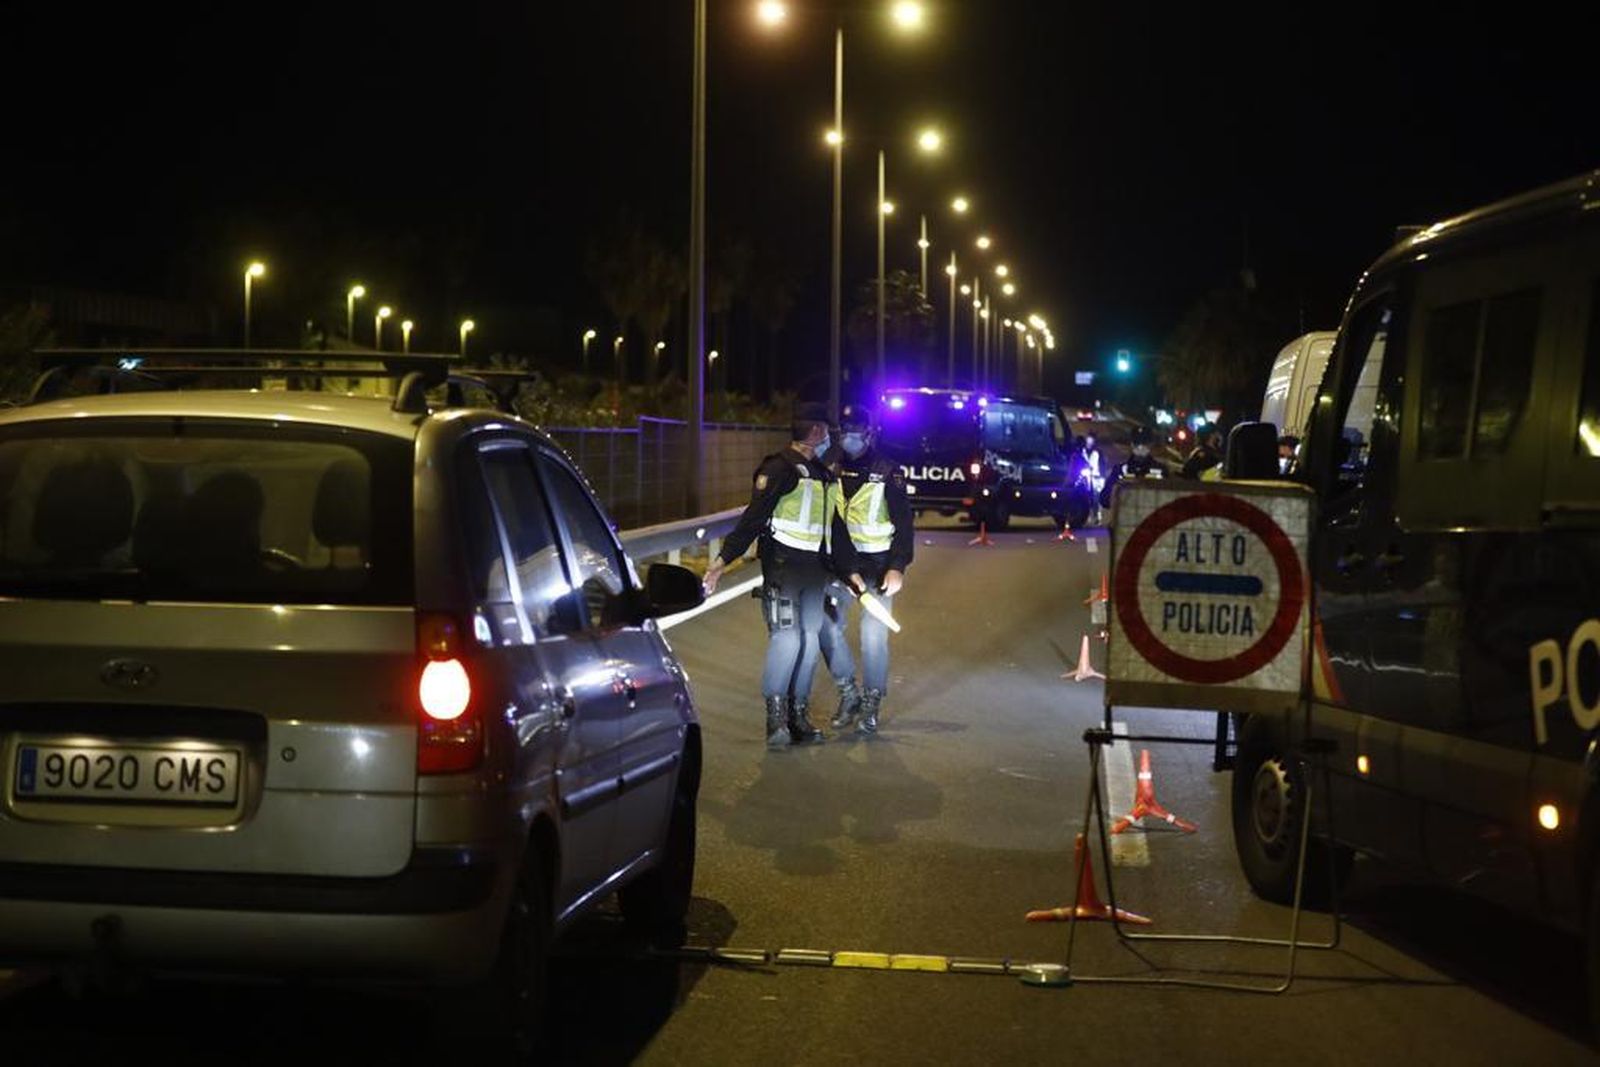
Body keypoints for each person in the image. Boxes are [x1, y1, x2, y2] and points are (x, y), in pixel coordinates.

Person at [704, 402, 846, 749]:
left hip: (815, 572)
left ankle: (799, 718)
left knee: (810, 642)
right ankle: (776, 722)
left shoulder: (823, 473)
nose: (830, 438)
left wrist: (850, 574)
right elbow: (753, 519)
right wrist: (720, 562)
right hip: (784, 569)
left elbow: (834, 531)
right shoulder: (780, 468)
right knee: (787, 640)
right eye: (826, 431)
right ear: (815, 432)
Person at [816, 404, 914, 734]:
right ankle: (848, 694)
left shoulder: (890, 472)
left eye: (855, 432)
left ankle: (871, 702)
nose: (849, 439)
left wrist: (897, 567)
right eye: (844, 432)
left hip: (878, 566)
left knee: (873, 638)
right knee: (826, 627)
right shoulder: (830, 469)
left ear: (870, 435)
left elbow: (904, 525)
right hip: (840, 566)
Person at [1099, 424, 1163, 509]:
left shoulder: (1161, 470)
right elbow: (1104, 500)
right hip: (1126, 520)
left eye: (1144, 443)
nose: (1140, 447)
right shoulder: (1120, 470)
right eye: (1137, 443)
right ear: (1132, 444)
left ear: (1151, 444)